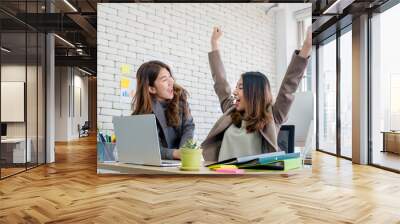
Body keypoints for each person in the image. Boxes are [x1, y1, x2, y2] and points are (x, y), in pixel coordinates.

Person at [201, 27, 312, 162]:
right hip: (223, 178)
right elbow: (221, 82)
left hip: (255, 181)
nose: (235, 91)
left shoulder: (273, 116)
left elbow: (289, 85)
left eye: (240, 87)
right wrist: (214, 43)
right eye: (236, 87)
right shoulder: (230, 112)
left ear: (254, 93)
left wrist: (306, 46)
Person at [132, 60, 195, 160]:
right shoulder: (143, 114)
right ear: (152, 89)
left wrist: (184, 150)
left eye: (170, 77)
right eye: (165, 79)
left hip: (180, 163)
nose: (171, 82)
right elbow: (149, 150)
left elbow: (189, 127)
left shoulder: (180, 99)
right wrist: (176, 154)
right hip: (156, 167)